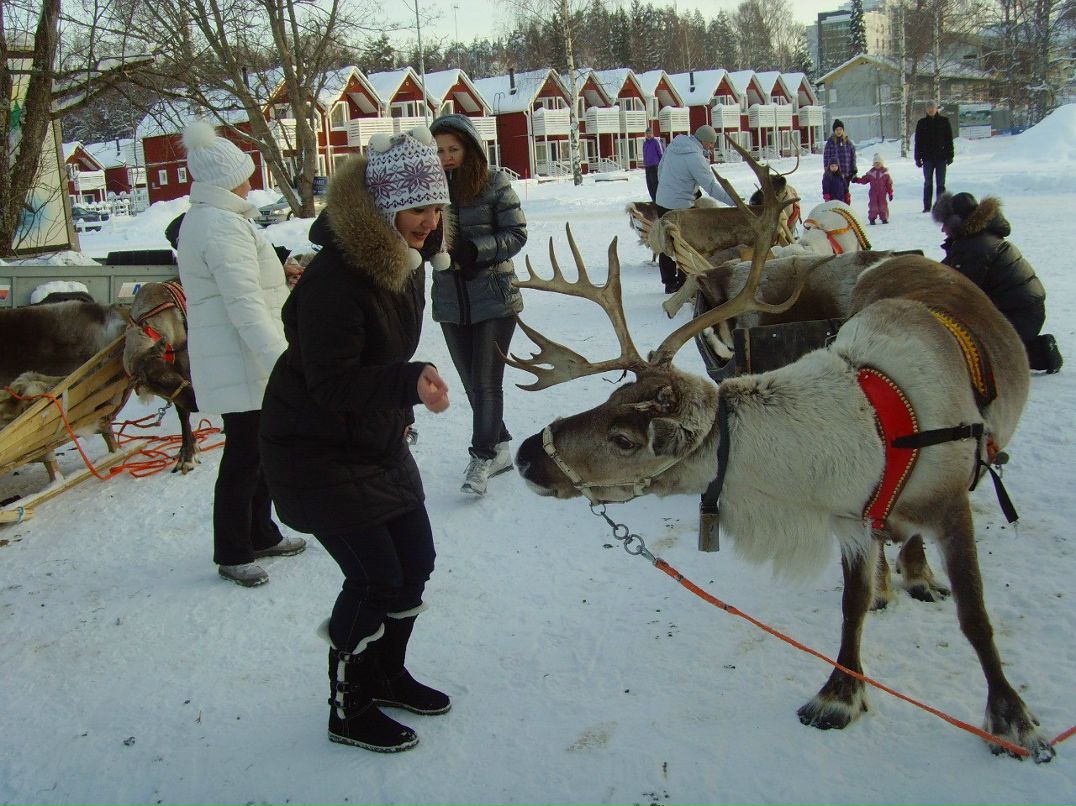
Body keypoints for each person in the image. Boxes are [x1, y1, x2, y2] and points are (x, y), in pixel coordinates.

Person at [259, 128, 454, 753]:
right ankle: (349, 704)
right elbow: (330, 385)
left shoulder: (405, 262)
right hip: (312, 450)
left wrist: (406, 392)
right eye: (417, 207)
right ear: (382, 209)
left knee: (414, 564)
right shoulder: (336, 281)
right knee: (375, 579)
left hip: (374, 443)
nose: (429, 221)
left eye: (436, 206)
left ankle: (386, 673)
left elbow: (383, 358)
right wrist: (405, 382)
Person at [175, 120, 305, 588]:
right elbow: (244, 304)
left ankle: (260, 532)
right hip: (244, 361)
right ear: (229, 179)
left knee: (259, 451)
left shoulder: (222, 220)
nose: (252, 179)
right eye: (247, 173)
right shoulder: (220, 226)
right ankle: (232, 550)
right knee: (245, 458)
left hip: (245, 360)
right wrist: (282, 360)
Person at [429, 113, 528, 496]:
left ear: (469, 148)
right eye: (438, 151)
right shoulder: (427, 188)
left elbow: (516, 234)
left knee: (487, 383)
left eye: (453, 149)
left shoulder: (492, 181)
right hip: (451, 300)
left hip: (495, 297)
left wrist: (475, 250)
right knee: (472, 384)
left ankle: (482, 456)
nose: (447, 157)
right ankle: (499, 445)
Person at [933, 191, 1063, 373]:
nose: (942, 230)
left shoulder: (973, 246)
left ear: (956, 222)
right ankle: (1031, 347)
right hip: (1026, 311)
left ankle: (1039, 353)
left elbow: (960, 289)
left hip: (1017, 316)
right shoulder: (982, 237)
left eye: (945, 224)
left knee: (974, 355)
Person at [655, 124, 736, 293]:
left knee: (666, 242)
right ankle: (685, 282)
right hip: (680, 207)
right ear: (704, 141)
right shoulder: (695, 158)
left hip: (662, 200)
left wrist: (669, 188)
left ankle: (669, 283)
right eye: (711, 143)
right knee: (686, 245)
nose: (712, 147)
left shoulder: (674, 146)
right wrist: (734, 201)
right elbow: (712, 187)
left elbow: (661, 169)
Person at [915, 100, 955, 213]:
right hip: (927, 158)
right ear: (926, 110)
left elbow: (949, 140)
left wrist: (950, 155)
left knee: (941, 183)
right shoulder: (922, 123)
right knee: (928, 183)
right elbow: (918, 141)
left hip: (941, 158)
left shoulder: (944, 121)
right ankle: (927, 207)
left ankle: (940, 207)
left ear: (936, 108)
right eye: (928, 108)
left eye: (932, 107)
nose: (931, 109)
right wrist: (918, 158)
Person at [853, 153, 894, 224]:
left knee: (883, 205)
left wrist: (890, 193)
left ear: (882, 164)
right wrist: (856, 180)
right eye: (875, 163)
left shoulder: (885, 174)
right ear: (873, 164)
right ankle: (872, 218)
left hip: (882, 193)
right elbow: (864, 180)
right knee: (873, 205)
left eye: (879, 163)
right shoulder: (871, 173)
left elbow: (889, 185)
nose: (877, 165)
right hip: (873, 193)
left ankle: (884, 218)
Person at [822, 118, 857, 197]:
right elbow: (826, 157)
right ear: (834, 131)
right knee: (834, 193)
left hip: (846, 173)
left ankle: (844, 207)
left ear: (843, 130)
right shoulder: (830, 142)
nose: (839, 131)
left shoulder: (848, 142)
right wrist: (827, 169)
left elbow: (853, 156)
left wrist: (853, 168)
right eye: (837, 129)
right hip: (834, 173)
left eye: (840, 129)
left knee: (845, 193)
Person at [642, 130, 664, 203]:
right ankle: (653, 200)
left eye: (649, 133)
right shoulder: (645, 144)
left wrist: (661, 164)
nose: (648, 135)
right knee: (649, 184)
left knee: (655, 184)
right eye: (647, 133)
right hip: (647, 166)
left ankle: (658, 200)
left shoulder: (655, 142)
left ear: (652, 134)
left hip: (655, 166)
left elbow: (660, 153)